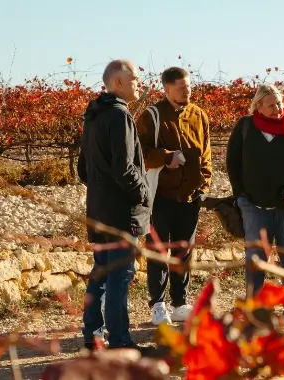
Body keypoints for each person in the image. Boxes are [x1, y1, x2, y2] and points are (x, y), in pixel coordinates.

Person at [77, 59, 150, 351]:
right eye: (134, 79)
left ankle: (92, 337)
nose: (139, 84)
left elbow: (83, 168)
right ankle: (120, 341)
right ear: (118, 83)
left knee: (101, 273)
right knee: (121, 276)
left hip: (99, 208)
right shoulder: (119, 117)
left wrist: (101, 190)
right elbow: (124, 167)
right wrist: (142, 193)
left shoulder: (93, 116)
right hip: (121, 212)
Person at [226, 83, 284, 303]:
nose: (277, 109)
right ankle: (254, 305)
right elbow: (233, 162)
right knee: (256, 258)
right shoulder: (246, 127)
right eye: (270, 105)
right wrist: (240, 195)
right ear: (257, 106)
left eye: (279, 103)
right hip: (255, 205)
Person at [136, 67, 212, 325]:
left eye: (188, 87)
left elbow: (206, 155)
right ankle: (158, 304)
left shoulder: (199, 115)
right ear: (166, 89)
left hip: (189, 197)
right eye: (181, 88)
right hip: (159, 197)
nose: (187, 91)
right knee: (158, 250)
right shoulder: (151, 116)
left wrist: (204, 187)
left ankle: (180, 303)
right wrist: (167, 157)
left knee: (184, 251)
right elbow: (139, 152)